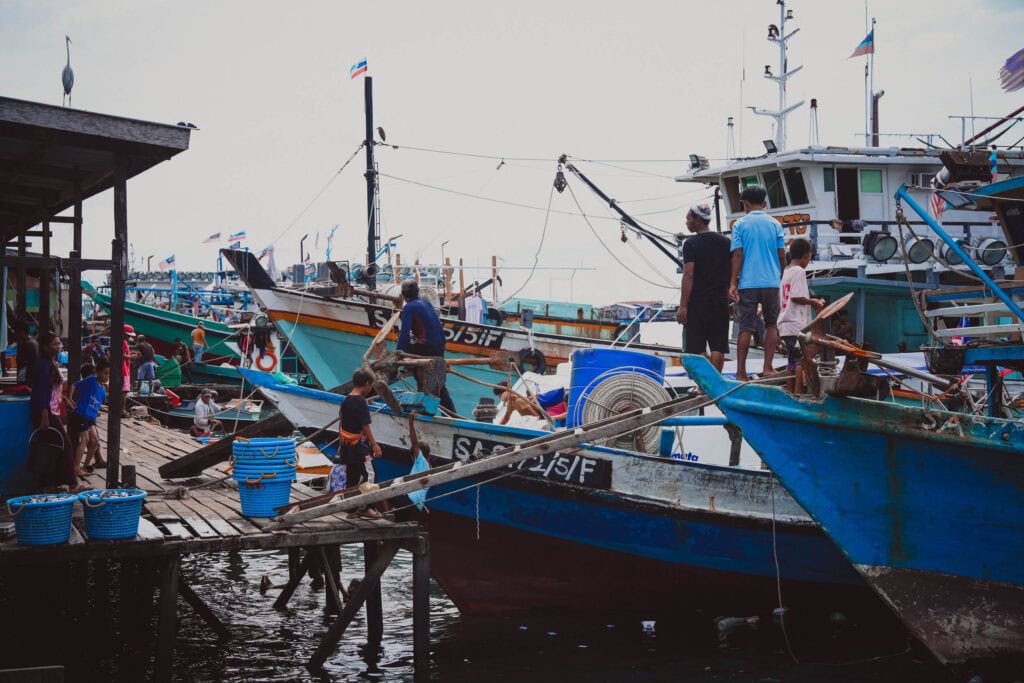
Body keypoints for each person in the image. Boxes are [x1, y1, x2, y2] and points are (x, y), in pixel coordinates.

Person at [728, 186, 786, 381]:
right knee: (771, 325)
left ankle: (741, 373)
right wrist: (782, 274)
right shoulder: (775, 224)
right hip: (771, 281)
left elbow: (737, 254)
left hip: (748, 283)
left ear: (746, 204)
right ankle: (768, 367)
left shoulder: (740, 224)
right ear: (764, 203)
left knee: (746, 327)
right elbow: (781, 254)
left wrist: (733, 282)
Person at [29, 332, 88, 492]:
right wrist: (44, 415)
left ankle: (51, 483)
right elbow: (41, 391)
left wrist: (63, 398)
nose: (58, 347)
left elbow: (51, 388)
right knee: (66, 444)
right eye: (55, 344)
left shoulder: (50, 363)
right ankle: (72, 483)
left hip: (52, 409)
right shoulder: (44, 366)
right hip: (46, 412)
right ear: (45, 347)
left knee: (55, 445)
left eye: (59, 344)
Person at [676, 202, 731, 371]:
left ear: (698, 220)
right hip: (720, 300)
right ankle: (716, 386)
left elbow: (689, 274)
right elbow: (731, 268)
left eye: (688, 218)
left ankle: (703, 386)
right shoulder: (725, 242)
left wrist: (683, 306)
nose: (686, 222)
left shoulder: (690, 244)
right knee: (718, 345)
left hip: (698, 301)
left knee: (696, 346)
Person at [397, 279, 456, 414]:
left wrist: (399, 355)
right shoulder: (426, 302)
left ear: (403, 295)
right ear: (417, 292)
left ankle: (425, 412)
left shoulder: (408, 307)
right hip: (440, 346)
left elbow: (404, 333)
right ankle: (451, 413)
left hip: (426, 348)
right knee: (438, 383)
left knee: (423, 378)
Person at [777, 239, 825, 394]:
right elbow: (796, 297)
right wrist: (814, 302)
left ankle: (790, 393)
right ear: (806, 256)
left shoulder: (786, 272)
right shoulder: (799, 271)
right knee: (800, 361)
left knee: (791, 361)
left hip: (785, 324)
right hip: (795, 324)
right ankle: (797, 394)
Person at [337, 368, 383, 518]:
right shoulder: (361, 401)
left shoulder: (346, 400)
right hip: (358, 446)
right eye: (371, 385)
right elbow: (365, 426)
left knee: (352, 476)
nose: (371, 389)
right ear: (366, 383)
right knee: (371, 474)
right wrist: (375, 445)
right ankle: (366, 508)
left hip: (346, 445)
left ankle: (351, 510)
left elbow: (342, 422)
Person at [68, 360, 110, 475]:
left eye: (108, 374)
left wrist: (108, 410)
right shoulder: (91, 380)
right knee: (85, 440)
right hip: (81, 415)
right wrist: (70, 398)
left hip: (90, 419)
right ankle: (76, 468)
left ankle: (86, 466)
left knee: (95, 441)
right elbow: (74, 385)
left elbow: (97, 406)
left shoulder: (103, 390)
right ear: (98, 372)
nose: (107, 376)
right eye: (105, 373)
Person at [15, 320, 39, 386]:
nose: (15, 334)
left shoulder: (28, 344)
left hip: (27, 380)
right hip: (29, 378)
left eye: (16, 331)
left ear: (22, 331)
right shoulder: (32, 342)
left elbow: (23, 363)